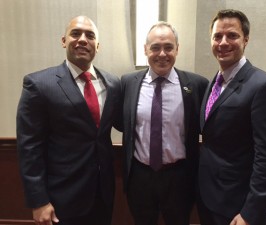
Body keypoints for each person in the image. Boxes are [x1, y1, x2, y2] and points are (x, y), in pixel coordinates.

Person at [16, 16, 121, 225]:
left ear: (97, 46)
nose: (83, 39)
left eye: (90, 36)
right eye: (76, 34)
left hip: (103, 195)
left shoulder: (113, 84)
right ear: (64, 41)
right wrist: (39, 201)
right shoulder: (38, 84)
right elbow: (29, 147)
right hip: (60, 198)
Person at [196, 9, 266, 225]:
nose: (223, 42)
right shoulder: (213, 83)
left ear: (246, 39)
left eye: (232, 35)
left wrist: (251, 212)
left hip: (238, 208)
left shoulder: (264, 86)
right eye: (217, 36)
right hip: (209, 200)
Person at [120, 21, 208, 225]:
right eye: (155, 48)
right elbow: (121, 121)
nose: (162, 54)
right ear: (145, 50)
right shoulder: (127, 83)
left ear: (177, 49)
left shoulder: (197, 85)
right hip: (140, 176)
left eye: (168, 47)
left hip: (180, 176)